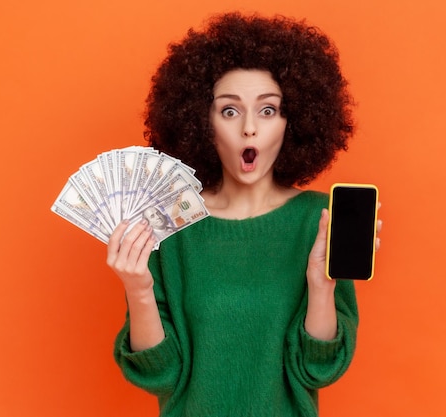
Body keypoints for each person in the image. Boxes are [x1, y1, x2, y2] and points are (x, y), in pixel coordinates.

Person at [106, 12, 381, 416]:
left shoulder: (319, 220)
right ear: (203, 122)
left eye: (268, 110)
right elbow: (160, 377)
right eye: (230, 111)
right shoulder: (169, 225)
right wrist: (138, 289)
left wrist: (321, 287)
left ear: (292, 122)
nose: (249, 128)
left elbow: (318, 370)